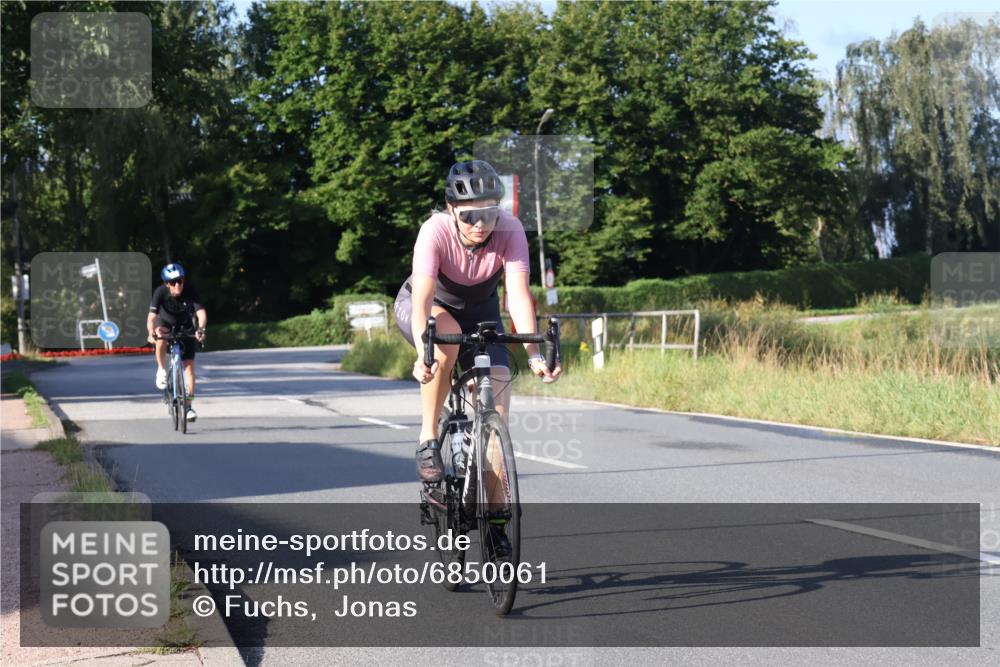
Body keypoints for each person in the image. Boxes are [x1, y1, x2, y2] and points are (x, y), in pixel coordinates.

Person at [395, 160, 561, 552]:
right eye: (469, 215)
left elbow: (518, 296)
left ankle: (496, 526)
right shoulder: (433, 231)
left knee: (497, 416)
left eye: (489, 213)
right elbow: (420, 299)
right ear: (452, 210)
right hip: (429, 308)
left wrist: (535, 353)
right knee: (447, 340)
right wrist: (424, 351)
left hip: (483, 310)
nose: (480, 224)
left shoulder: (511, 230)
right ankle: (427, 436)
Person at [147, 263, 207, 421]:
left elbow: (201, 313)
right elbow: (151, 318)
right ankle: (161, 369)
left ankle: (189, 407)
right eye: (173, 282)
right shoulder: (160, 292)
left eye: (180, 280)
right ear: (167, 283)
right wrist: (151, 332)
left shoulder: (190, 290)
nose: (177, 284)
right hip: (165, 324)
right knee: (160, 337)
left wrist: (201, 329)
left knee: (189, 368)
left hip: (185, 326)